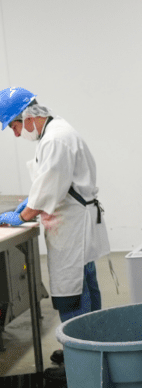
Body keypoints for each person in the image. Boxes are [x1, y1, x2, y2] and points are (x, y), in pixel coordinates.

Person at [0, 87, 110, 367]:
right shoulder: (56, 132)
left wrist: (23, 215)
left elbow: (50, 188)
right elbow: (53, 181)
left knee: (71, 293)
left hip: (71, 227)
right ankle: (91, 349)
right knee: (85, 284)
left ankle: (81, 361)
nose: (15, 133)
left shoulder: (55, 139)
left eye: (13, 126)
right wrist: (30, 201)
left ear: (27, 115)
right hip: (75, 223)